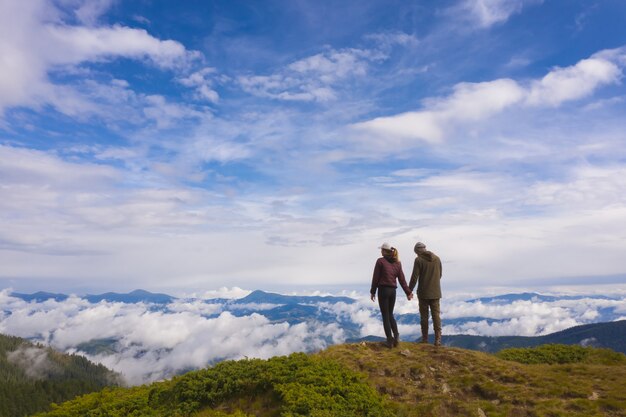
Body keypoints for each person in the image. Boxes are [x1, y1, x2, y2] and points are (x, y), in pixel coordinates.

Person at [370, 242, 413, 348]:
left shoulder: (380, 261)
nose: (381, 251)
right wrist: (408, 292)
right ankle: (396, 336)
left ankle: (389, 341)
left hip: (383, 290)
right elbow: (402, 280)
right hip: (393, 291)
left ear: (385, 251)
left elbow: (376, 277)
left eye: (382, 250)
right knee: (390, 314)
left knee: (385, 316)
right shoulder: (397, 263)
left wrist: (373, 291)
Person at [409, 242, 443, 346]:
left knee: (424, 317)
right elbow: (440, 274)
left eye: (416, 252)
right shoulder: (437, 259)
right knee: (436, 316)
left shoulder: (418, 260)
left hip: (423, 293)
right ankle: (438, 340)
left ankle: (425, 339)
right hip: (436, 292)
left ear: (418, 251)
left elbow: (415, 277)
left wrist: (409, 290)